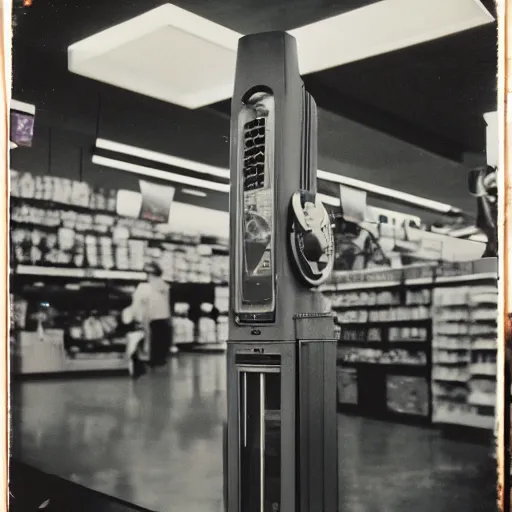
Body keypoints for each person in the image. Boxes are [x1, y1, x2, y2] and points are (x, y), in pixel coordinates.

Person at [131, 261, 177, 370]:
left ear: (149, 274)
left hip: (152, 321)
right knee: (160, 351)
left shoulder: (145, 287)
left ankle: (152, 363)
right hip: (164, 320)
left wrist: (136, 317)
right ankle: (158, 363)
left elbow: (137, 306)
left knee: (151, 347)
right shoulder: (165, 286)